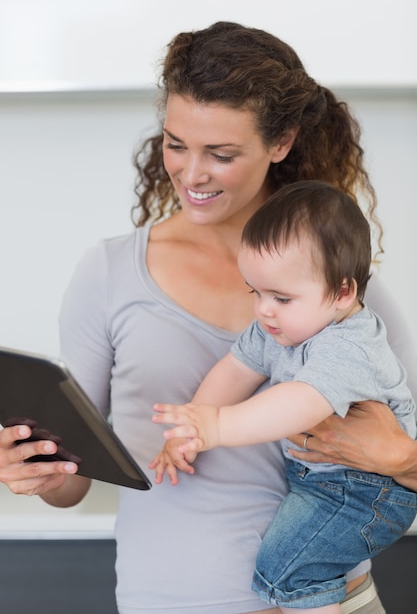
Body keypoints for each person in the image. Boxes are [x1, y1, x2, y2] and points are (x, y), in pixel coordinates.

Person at [0, 20, 416, 614]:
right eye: (175, 144)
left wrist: (403, 459)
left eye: (221, 154)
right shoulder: (111, 274)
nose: (191, 175)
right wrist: (36, 471)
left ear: (281, 142)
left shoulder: (340, 288)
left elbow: (407, 453)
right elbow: (74, 481)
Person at [151, 179, 417, 613]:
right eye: (255, 292)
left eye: (282, 297)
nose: (264, 310)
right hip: (325, 482)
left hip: (368, 492)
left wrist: (219, 427)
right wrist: (191, 427)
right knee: (289, 564)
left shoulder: (347, 344)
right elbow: (234, 370)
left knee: (289, 568)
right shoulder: (279, 328)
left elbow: (301, 401)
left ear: (344, 292)